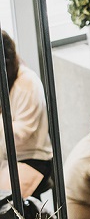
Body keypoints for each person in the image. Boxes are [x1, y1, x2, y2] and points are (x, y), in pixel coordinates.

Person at [0, 30, 53, 197]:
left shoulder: (27, 83)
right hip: (7, 158)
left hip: (33, 159)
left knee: (4, 203)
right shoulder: (7, 81)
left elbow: (22, 133)